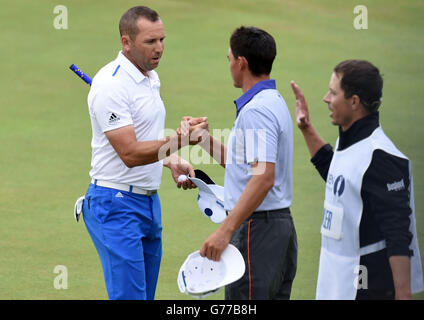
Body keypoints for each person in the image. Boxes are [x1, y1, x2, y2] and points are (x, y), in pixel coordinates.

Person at [81, 6, 206, 300]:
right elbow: (130, 153)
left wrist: (170, 159)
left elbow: (145, 139)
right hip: (116, 205)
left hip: (149, 203)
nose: (159, 48)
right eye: (150, 42)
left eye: (162, 40)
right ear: (126, 42)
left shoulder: (150, 77)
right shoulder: (111, 85)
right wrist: (179, 141)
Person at [290, 59, 424, 300]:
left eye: (333, 92)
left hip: (366, 288)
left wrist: (403, 294)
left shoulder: (382, 158)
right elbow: (340, 178)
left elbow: (398, 233)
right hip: (336, 283)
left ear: (354, 102)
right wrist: (306, 127)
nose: (326, 98)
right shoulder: (350, 140)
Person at [183, 26, 297, 300]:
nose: (229, 65)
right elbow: (247, 167)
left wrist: (225, 230)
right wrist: (203, 140)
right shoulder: (272, 101)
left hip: (257, 232)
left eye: (229, 59)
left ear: (241, 63)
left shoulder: (256, 111)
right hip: (278, 230)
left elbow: (263, 177)